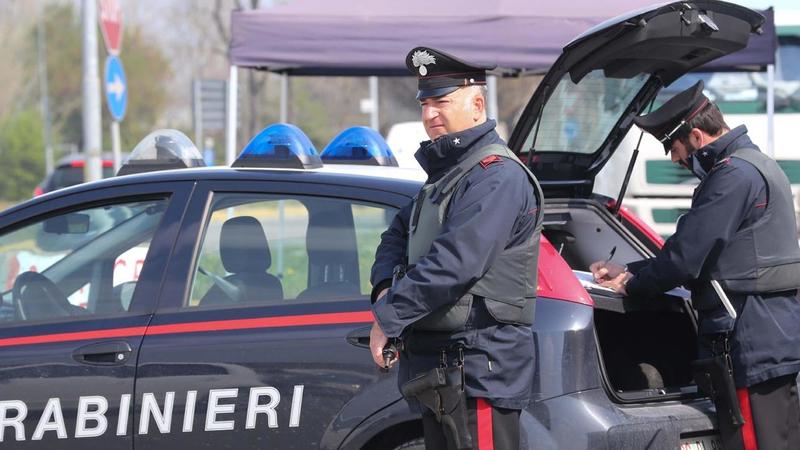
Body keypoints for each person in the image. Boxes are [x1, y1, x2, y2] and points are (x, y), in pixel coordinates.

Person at [591, 80, 800, 449]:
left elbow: (687, 258)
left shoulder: (731, 177)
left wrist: (630, 286)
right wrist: (634, 270)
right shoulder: (755, 166)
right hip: (768, 338)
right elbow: (699, 248)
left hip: (749, 341)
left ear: (698, 137)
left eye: (674, 148)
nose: (674, 160)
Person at [369, 47, 543, 450]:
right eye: (425, 103)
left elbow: (454, 263)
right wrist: (383, 291)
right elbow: (395, 236)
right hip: (443, 372)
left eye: (441, 102)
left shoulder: (496, 177)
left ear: (477, 104)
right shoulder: (449, 176)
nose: (430, 115)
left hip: (479, 371)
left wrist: (389, 318)